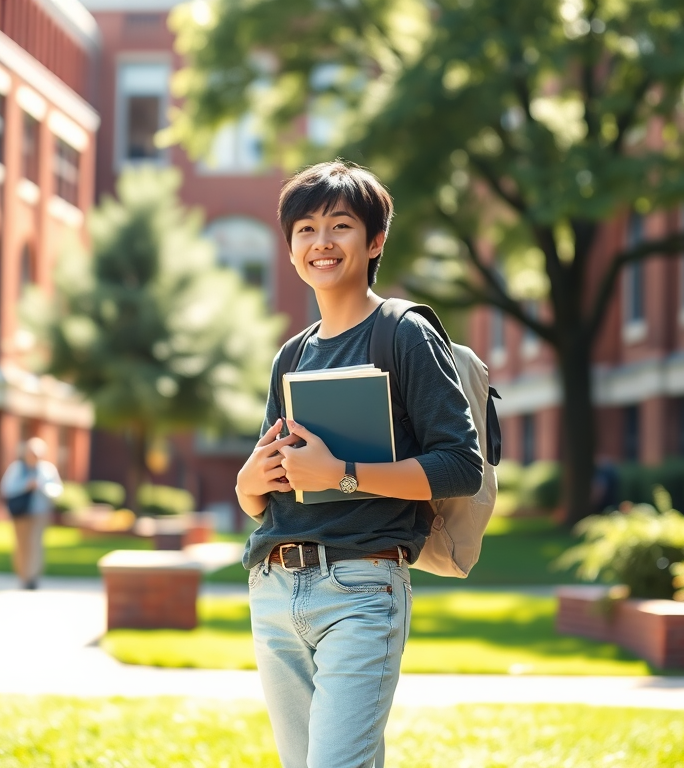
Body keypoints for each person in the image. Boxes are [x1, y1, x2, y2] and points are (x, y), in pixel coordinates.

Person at [236, 161, 484, 768]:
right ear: (291, 246)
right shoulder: (291, 353)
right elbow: (269, 487)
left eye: (340, 225)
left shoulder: (404, 333)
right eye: (305, 229)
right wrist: (247, 483)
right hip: (274, 588)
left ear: (374, 242)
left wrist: (341, 472)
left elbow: (460, 465)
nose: (322, 242)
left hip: (362, 589)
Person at [0, 437, 63, 590]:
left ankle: (32, 577)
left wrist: (41, 487)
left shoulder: (47, 470)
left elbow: (57, 490)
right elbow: (6, 489)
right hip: (20, 513)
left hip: (39, 513)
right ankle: (23, 575)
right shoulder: (17, 469)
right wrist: (26, 486)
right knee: (21, 545)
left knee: (35, 544)